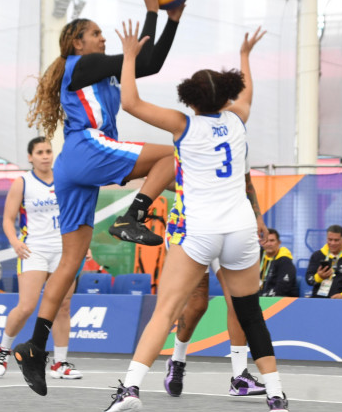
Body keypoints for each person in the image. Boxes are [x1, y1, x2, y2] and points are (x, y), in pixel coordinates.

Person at [13, 0, 185, 396]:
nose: (102, 38)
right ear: (76, 42)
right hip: (89, 147)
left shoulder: (101, 71)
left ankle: (34, 347)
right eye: (95, 34)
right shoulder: (82, 66)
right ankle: (134, 214)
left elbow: (150, 63)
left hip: (74, 162)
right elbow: (132, 56)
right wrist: (150, 10)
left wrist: (171, 18)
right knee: (170, 154)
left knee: (70, 264)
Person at [103, 22, 287, 411]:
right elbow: (246, 92)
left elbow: (131, 104)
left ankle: (131, 389)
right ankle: (275, 393)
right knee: (251, 314)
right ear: (226, 95)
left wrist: (131, 58)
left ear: (191, 99)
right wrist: (244, 57)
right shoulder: (238, 119)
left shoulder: (183, 125)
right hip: (240, 230)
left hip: (200, 230)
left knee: (166, 311)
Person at [163, 180, 269, 399]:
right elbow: (164, 177)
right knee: (197, 303)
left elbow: (247, 183)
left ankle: (240, 376)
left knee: (236, 299)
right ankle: (177, 360)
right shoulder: (187, 147)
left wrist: (257, 217)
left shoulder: (236, 148)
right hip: (190, 229)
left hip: (227, 230)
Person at [0, 137, 81, 380]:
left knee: (63, 306)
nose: (45, 155)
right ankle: (3, 350)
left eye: (48, 151)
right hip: (34, 250)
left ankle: (60, 364)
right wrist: (15, 242)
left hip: (64, 250)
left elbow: (76, 212)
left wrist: (83, 244)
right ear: (30, 157)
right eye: (39, 152)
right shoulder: (23, 183)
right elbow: (8, 219)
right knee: (27, 306)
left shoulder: (65, 179)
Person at [305, 225, 342, 299]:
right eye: (330, 240)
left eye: (336, 240)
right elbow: (309, 280)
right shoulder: (317, 256)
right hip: (319, 301)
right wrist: (319, 277)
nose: (332, 243)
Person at [260, 229, 298, 297]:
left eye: (272, 241)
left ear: (279, 242)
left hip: (282, 302)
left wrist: (262, 296)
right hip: (261, 299)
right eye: (266, 241)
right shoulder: (258, 257)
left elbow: (282, 288)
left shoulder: (285, 260)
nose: (269, 244)